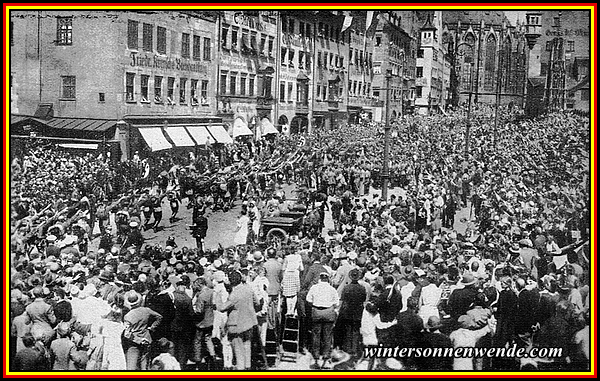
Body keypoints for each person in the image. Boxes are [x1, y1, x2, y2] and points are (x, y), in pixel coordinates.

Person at [219, 271, 259, 371]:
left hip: (236, 325)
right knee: (247, 345)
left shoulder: (234, 294)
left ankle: (241, 369)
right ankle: (248, 366)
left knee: (238, 349)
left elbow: (222, 308)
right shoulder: (248, 288)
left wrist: (218, 297)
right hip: (249, 322)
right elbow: (257, 302)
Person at [122, 290, 163, 370]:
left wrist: (139, 340)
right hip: (147, 339)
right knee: (145, 366)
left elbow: (127, 334)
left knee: (131, 367)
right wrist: (152, 327)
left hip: (133, 343)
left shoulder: (128, 316)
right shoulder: (146, 310)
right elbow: (159, 317)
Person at [306, 272, 339, 369]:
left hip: (317, 311)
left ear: (320, 278)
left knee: (316, 335)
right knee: (327, 336)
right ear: (328, 279)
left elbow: (308, 299)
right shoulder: (332, 289)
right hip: (328, 312)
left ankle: (316, 357)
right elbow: (336, 303)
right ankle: (326, 356)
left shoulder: (314, 288)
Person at [337, 268, 367, 357]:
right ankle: (354, 348)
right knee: (355, 330)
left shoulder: (347, 288)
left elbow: (342, 299)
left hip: (347, 311)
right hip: (358, 311)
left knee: (348, 329)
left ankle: (347, 347)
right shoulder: (362, 288)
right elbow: (364, 299)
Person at [192, 277, 215, 370]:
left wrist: (192, 309)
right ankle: (212, 357)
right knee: (208, 339)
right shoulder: (211, 292)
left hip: (201, 322)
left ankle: (198, 361)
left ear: (200, 285)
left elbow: (199, 311)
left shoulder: (201, 295)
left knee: (197, 341)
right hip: (210, 320)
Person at [281, 248, 304, 317]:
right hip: (295, 274)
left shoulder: (287, 258)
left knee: (288, 294)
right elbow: (302, 268)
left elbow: (283, 268)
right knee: (295, 293)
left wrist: (283, 278)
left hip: (287, 274)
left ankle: (289, 310)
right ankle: (293, 310)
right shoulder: (298, 257)